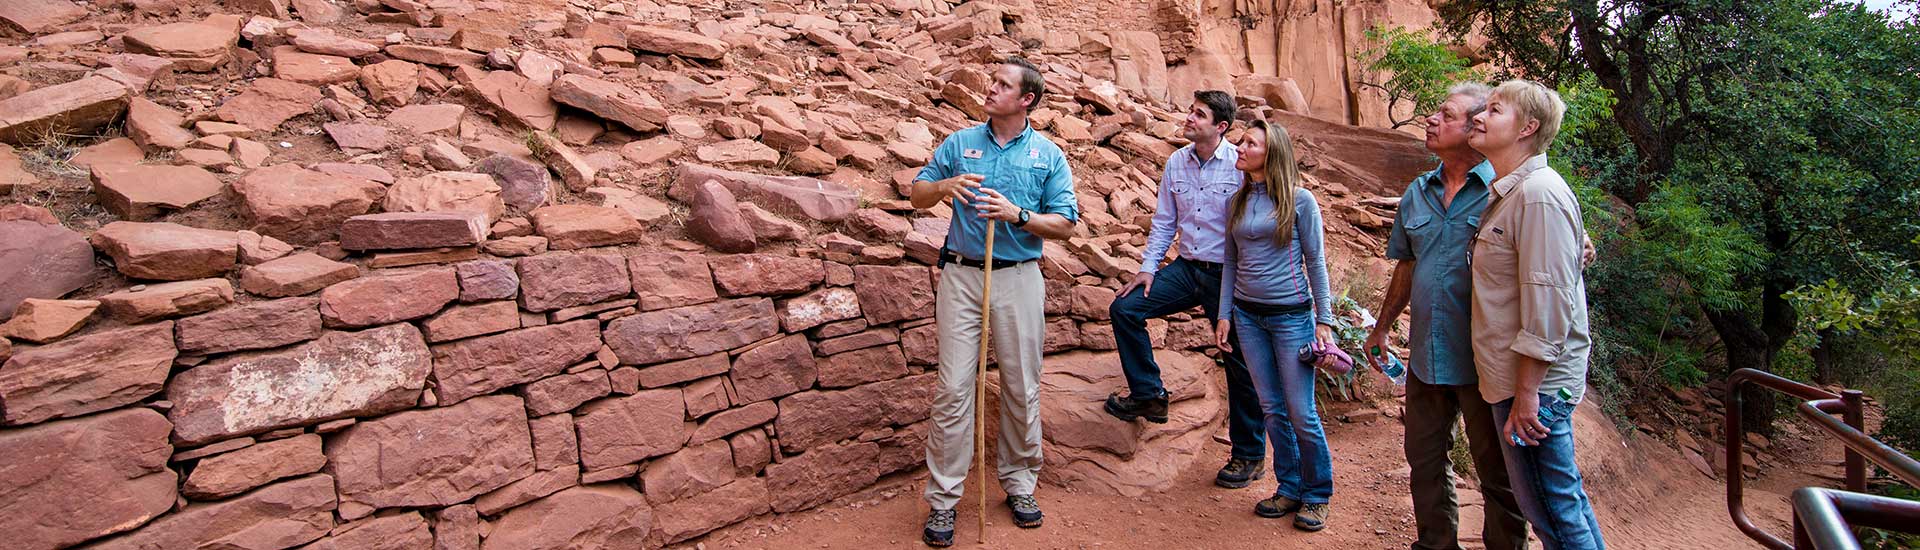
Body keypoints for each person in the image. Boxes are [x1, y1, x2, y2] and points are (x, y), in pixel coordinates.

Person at [909, 56, 1079, 548]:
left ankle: (1020, 483)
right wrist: (944, 186)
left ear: (1026, 99)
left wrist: (1018, 214)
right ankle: (943, 500)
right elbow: (918, 193)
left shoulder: (1048, 155)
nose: (991, 88)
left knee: (1022, 386)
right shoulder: (960, 143)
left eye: (1003, 85)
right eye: (993, 81)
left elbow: (1066, 223)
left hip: (1018, 277)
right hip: (962, 273)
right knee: (953, 389)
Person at [1365, 83, 1530, 550]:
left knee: (1497, 471)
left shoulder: (1506, 190)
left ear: (1476, 126)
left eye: (1446, 114)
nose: (1432, 120)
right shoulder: (1418, 191)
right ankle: (1435, 545)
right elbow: (1407, 264)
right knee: (1424, 461)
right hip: (1426, 356)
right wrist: (1381, 327)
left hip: (1485, 363)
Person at [1103, 90, 1270, 489]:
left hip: (1228, 274)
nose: (1189, 118)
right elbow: (1164, 222)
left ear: (1221, 127)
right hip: (1186, 268)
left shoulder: (1239, 164)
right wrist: (1147, 269)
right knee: (1125, 309)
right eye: (1191, 111)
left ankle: (1249, 455)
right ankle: (1149, 394)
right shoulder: (1176, 161)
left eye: (1199, 114)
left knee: (1238, 361)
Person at [1466, 79, 1607, 550]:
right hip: (1520, 380)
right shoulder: (1513, 191)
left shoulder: (1538, 194)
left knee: (1552, 514)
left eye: (1494, 109)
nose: (1479, 117)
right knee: (1562, 504)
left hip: (1532, 386)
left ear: (1527, 127)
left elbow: (1548, 307)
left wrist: (1527, 394)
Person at [1213, 118, 1339, 532]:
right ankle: (1289, 487)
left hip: (1291, 316)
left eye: (1250, 143)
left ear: (1271, 154)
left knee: (1301, 411)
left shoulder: (1300, 201)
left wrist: (1325, 320)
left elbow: (1315, 262)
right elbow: (1231, 262)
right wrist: (1225, 313)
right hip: (1248, 316)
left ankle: (1317, 494)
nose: (1240, 147)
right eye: (1241, 140)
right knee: (1271, 409)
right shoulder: (1238, 201)